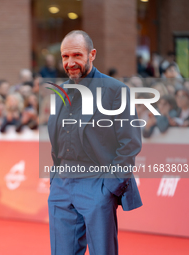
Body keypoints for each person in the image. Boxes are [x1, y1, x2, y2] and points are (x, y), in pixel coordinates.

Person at [47, 30, 142, 255]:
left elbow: (130, 144)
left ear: (92, 55)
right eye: (65, 56)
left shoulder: (116, 91)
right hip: (62, 184)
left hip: (98, 183)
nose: (70, 62)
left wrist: (108, 188)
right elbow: (57, 138)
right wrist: (55, 179)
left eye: (77, 55)